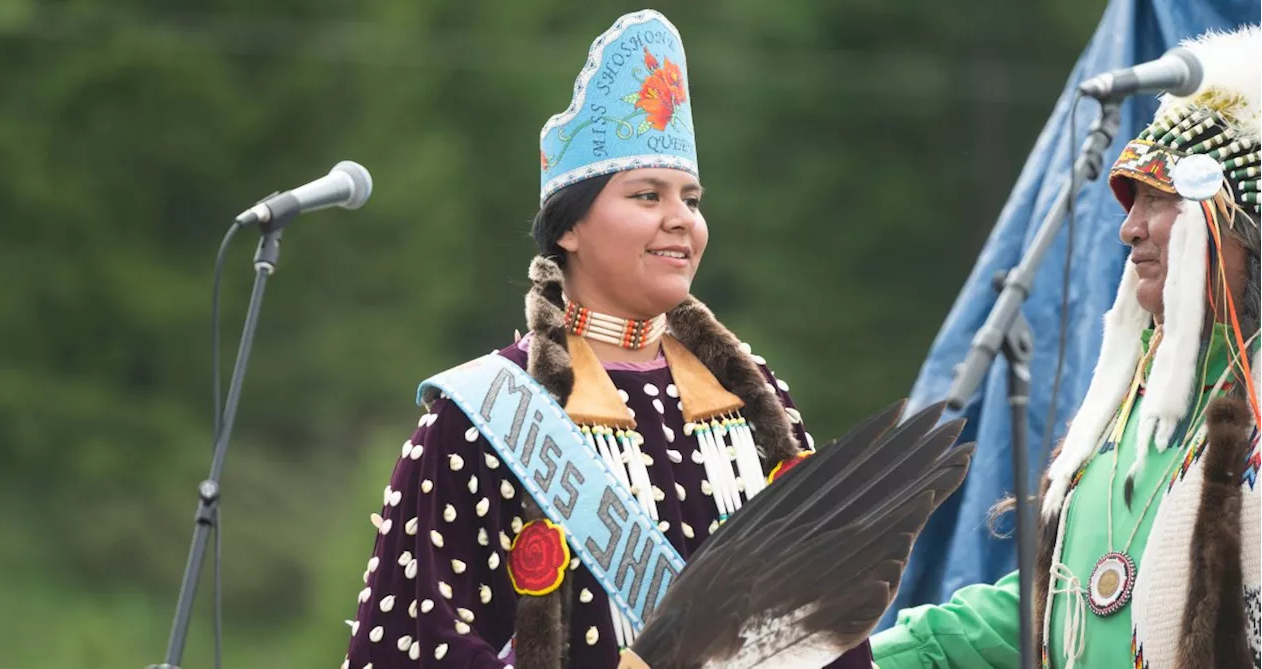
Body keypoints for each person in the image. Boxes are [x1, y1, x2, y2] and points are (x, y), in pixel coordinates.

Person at [341, 10, 875, 668]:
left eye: (692, 198)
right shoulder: (480, 416)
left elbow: (829, 631)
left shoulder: (758, 403)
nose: (680, 220)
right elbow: (409, 651)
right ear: (568, 227)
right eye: (647, 195)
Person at [870, 25, 1262, 668]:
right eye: (1131, 203)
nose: (1129, 229)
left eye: (1158, 201)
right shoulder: (1126, 415)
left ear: (1230, 224)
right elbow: (1051, 613)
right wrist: (867, 659)